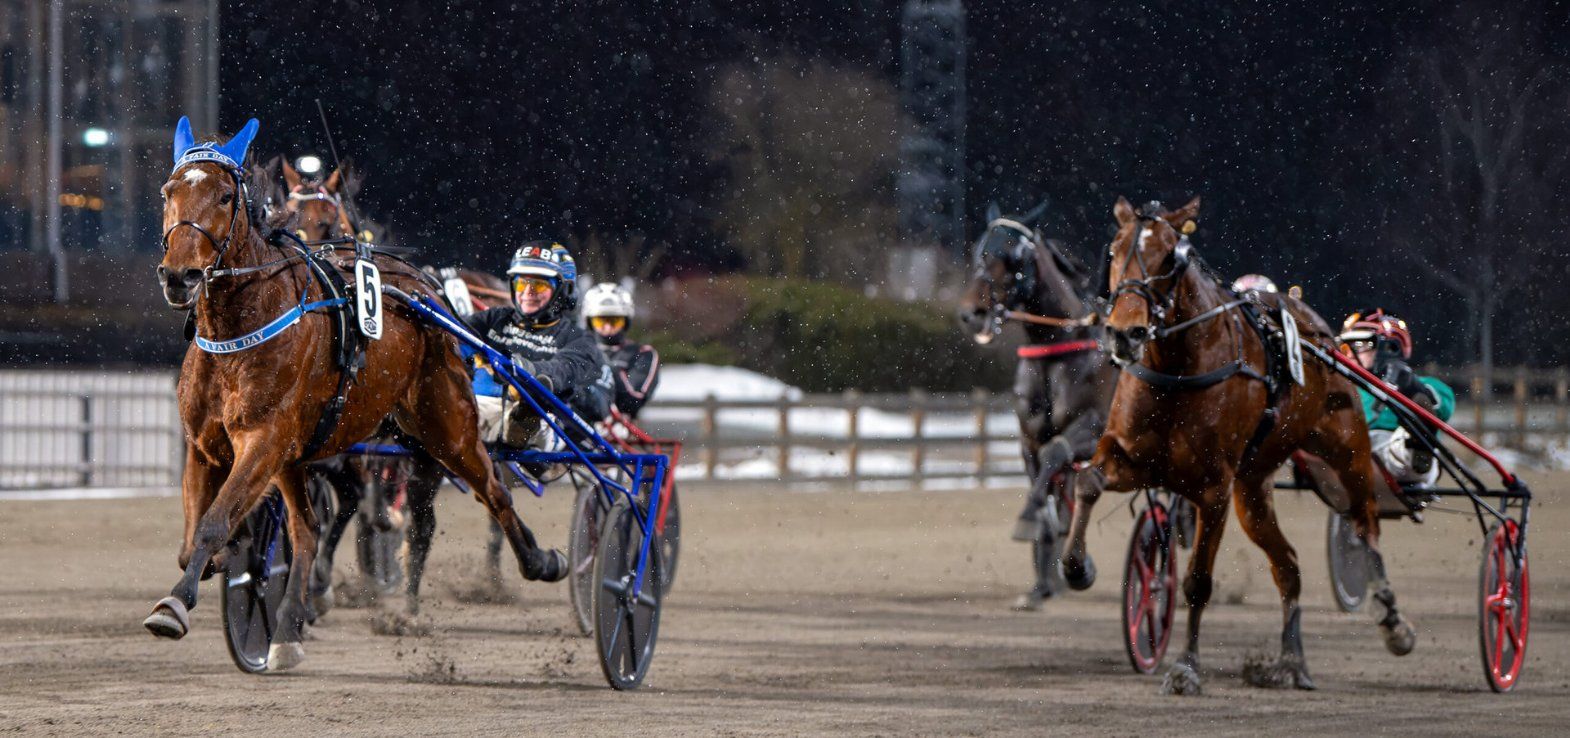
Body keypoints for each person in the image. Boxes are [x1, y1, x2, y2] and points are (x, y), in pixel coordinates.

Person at [462, 241, 609, 446]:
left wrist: (526, 369)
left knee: (537, 407)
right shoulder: (492, 320)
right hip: (477, 409)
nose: (528, 292)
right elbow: (454, 338)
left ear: (563, 291)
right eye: (522, 283)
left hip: (543, 423)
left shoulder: (579, 339)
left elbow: (563, 371)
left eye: (539, 284)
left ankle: (521, 425)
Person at [1337, 309, 1456, 486]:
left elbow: (1443, 405)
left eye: (1359, 345)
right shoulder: (1344, 389)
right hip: (1351, 453)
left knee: (1403, 438)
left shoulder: (1424, 383)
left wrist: (1409, 386)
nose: (1348, 355)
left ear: (1390, 346)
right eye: (1344, 348)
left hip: (1395, 453)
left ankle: (1417, 446)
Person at [580, 282, 662, 420]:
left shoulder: (642, 354)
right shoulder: (577, 350)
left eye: (614, 321)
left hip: (617, 433)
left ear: (626, 321)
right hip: (573, 426)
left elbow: (632, 403)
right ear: (589, 321)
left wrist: (606, 366)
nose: (607, 328)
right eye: (600, 321)